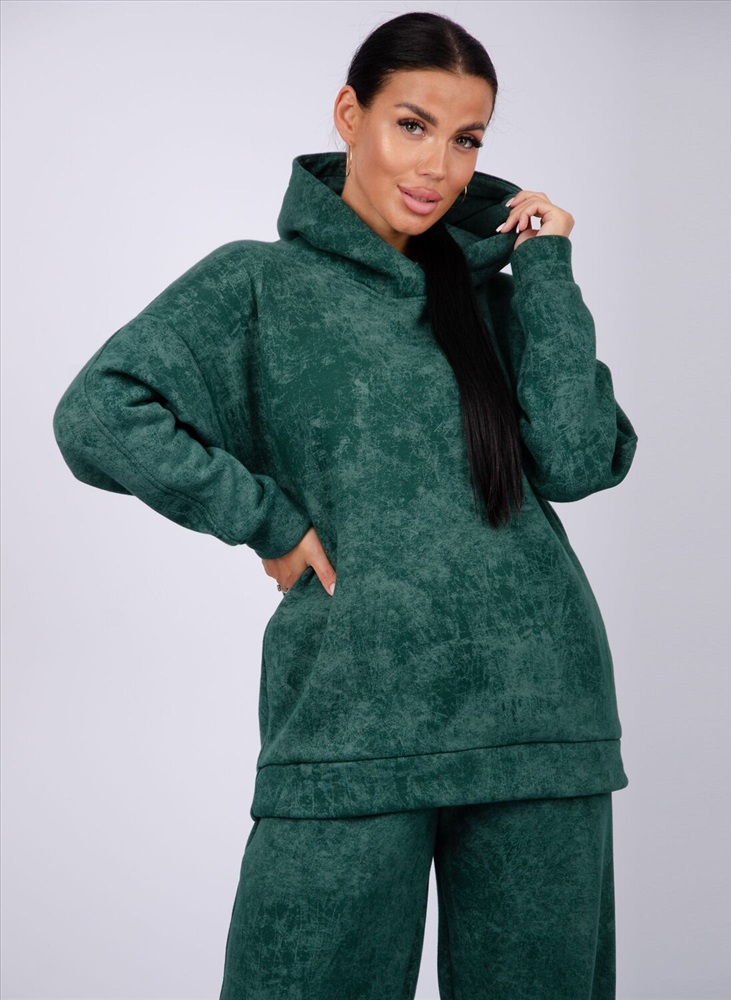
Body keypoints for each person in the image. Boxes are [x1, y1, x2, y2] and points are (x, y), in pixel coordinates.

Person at [52, 11, 638, 999]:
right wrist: (266, 517)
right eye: (413, 125)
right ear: (349, 115)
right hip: (349, 720)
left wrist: (544, 269)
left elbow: (580, 460)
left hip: (542, 716)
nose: (439, 165)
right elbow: (98, 414)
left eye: (467, 139)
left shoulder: (495, 297)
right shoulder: (257, 284)